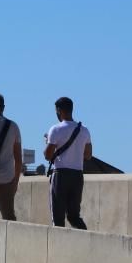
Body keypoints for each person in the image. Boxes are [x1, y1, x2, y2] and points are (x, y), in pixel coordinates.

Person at [43, 97, 92, 229]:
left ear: (59, 111)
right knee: (74, 216)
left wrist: (48, 142)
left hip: (61, 175)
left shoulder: (55, 129)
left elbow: (48, 156)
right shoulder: (84, 130)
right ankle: (85, 239)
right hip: (77, 175)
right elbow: (88, 155)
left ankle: (57, 247)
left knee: (57, 217)